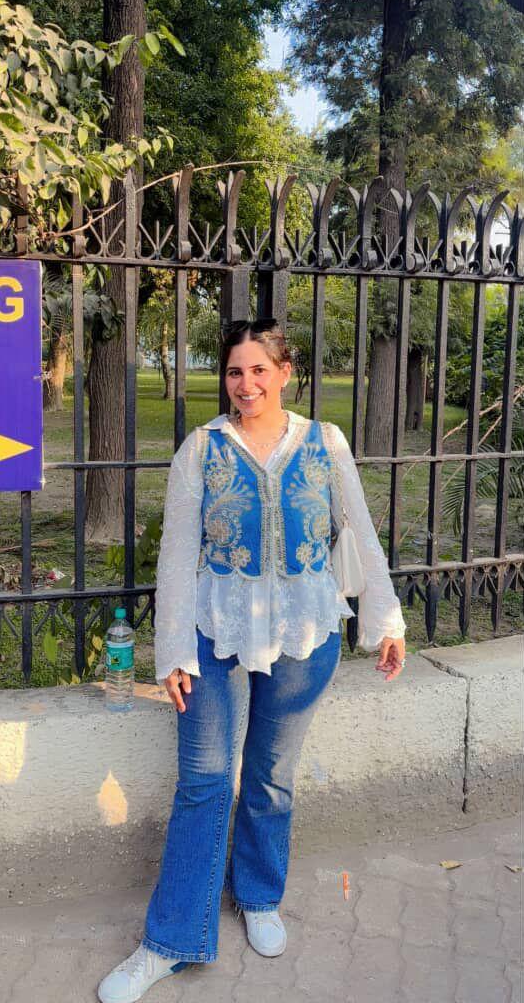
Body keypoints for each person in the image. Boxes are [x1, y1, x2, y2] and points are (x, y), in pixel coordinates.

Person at [97, 318, 406, 1003]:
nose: (245, 385)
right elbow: (176, 555)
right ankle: (168, 941)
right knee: (205, 780)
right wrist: (172, 651)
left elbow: (357, 527)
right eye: (234, 372)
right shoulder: (200, 449)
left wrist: (385, 620)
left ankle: (258, 896)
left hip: (305, 630)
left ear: (285, 372)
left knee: (270, 775)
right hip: (214, 627)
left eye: (258, 370)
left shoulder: (324, 442)